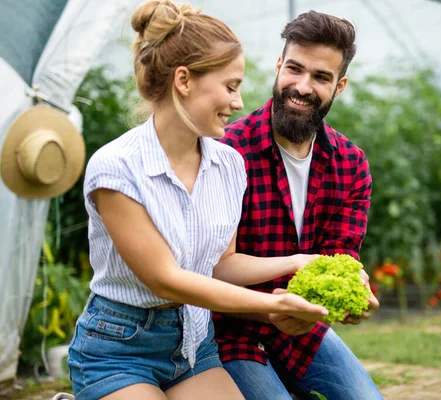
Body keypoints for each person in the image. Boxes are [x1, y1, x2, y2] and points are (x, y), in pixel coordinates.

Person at [66, 2, 330, 399]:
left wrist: (298, 261)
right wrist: (267, 307)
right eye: (230, 86)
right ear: (184, 80)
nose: (239, 103)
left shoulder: (228, 164)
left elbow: (220, 265)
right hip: (118, 348)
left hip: (193, 345)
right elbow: (167, 279)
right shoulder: (117, 168)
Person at [216, 10, 383, 400]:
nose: (303, 87)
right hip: (225, 330)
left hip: (303, 333)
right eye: (295, 69)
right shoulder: (229, 150)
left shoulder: (350, 163)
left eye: (321, 77)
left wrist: (350, 292)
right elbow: (206, 271)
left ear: (339, 86)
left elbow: (338, 258)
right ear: (278, 67)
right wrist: (267, 309)